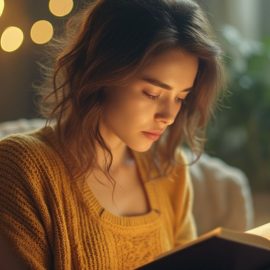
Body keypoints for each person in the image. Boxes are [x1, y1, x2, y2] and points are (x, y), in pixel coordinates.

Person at [0, 0, 224, 269]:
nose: (169, 116)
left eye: (180, 98)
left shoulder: (170, 169)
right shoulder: (22, 168)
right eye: (153, 94)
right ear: (103, 73)